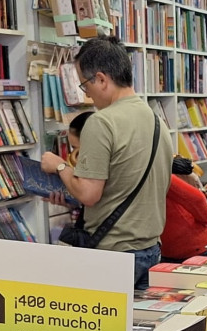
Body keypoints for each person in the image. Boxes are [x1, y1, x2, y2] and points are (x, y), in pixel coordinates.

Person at [40, 35, 173, 290]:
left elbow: (90, 194)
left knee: (98, 328)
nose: (87, 96)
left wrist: (60, 167)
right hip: (151, 250)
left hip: (113, 253)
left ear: (101, 79)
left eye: (85, 86)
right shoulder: (156, 121)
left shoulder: (102, 122)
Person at [160, 156, 207, 261]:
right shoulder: (164, 177)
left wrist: (196, 183)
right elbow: (205, 212)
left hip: (193, 249)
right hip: (180, 249)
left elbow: (205, 212)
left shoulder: (162, 177)